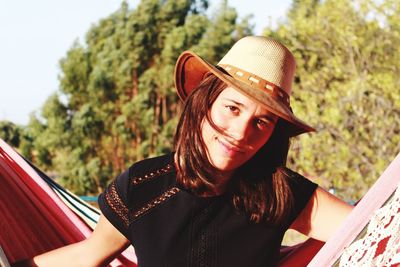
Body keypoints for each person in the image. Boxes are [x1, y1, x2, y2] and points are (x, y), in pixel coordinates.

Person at [21, 36, 352, 266]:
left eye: (262, 122)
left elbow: (374, 226)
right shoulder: (144, 185)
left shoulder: (281, 193)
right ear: (203, 104)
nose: (240, 133)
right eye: (233, 109)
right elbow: (86, 256)